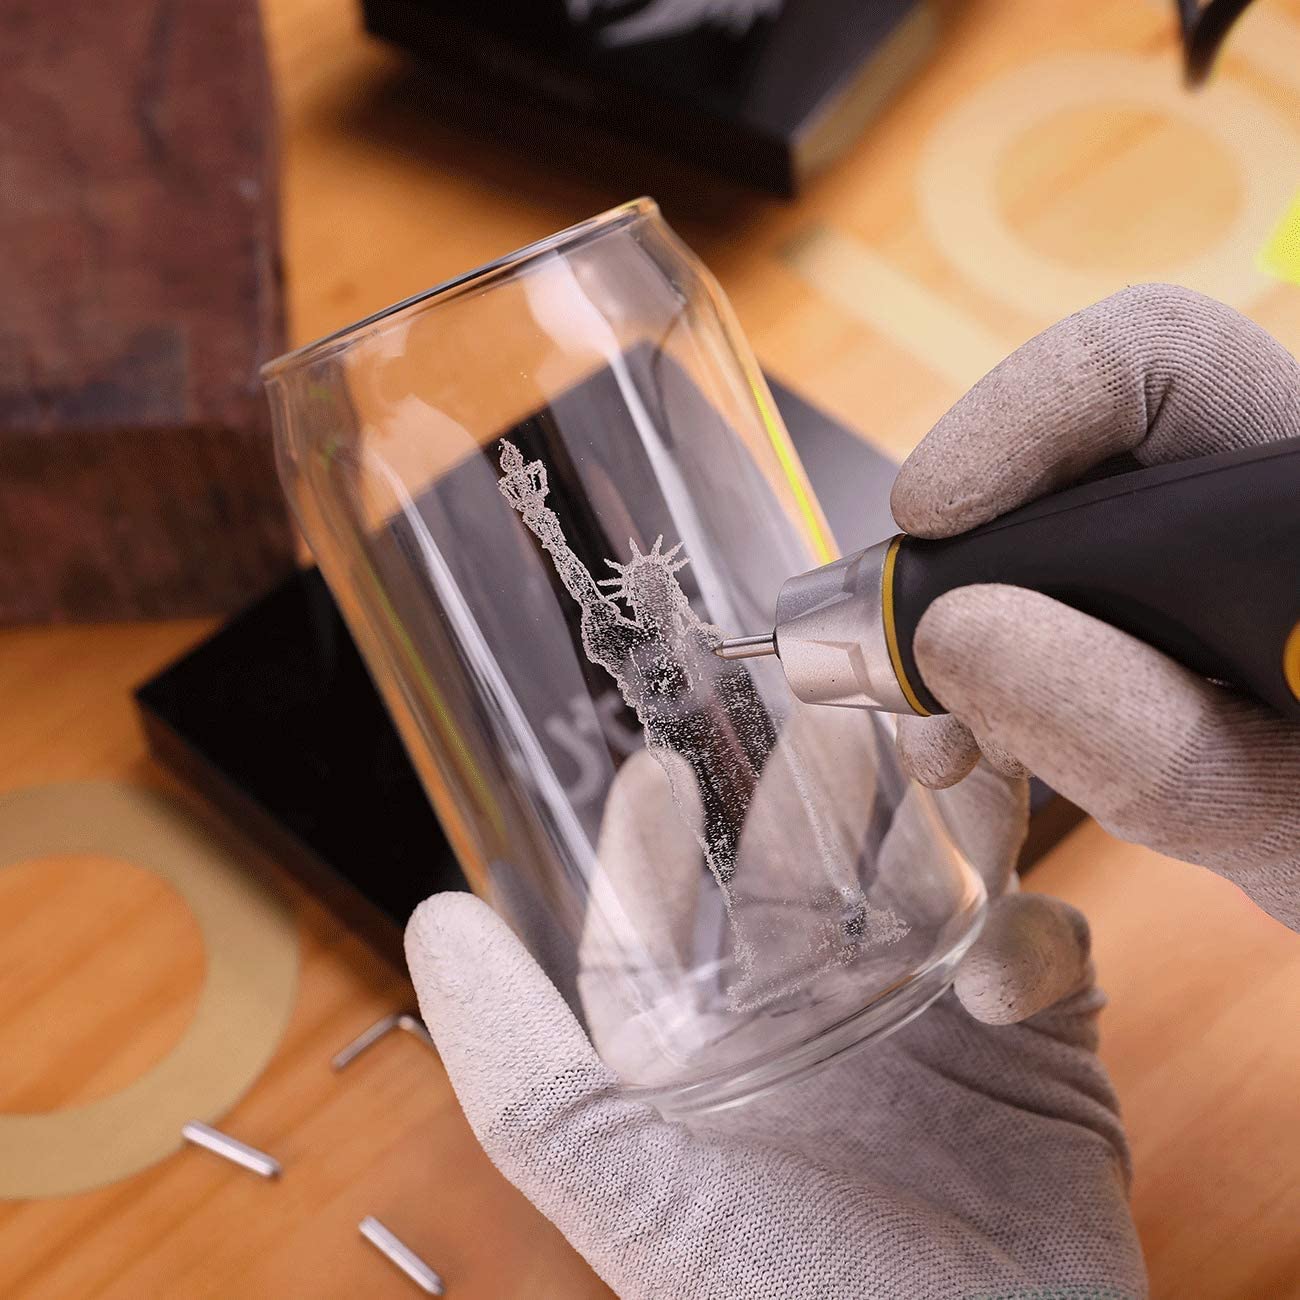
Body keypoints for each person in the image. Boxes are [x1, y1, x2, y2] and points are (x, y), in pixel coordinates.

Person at [404, 285, 1300, 1298]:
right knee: (766, 857)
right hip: (721, 858)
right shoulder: (621, 636)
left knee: (833, 851)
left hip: (801, 841)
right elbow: (578, 585)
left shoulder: (693, 622)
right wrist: (535, 514)